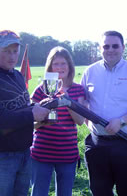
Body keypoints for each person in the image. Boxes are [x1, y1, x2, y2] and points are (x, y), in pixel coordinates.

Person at [0, 30, 50, 196]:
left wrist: (37, 107)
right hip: (1, 157)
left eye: (15, 51)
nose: (12, 56)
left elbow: (20, 107)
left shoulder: (17, 75)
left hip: (24, 152)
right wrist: (32, 115)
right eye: (6, 51)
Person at [80, 30, 127, 196]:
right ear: (100, 48)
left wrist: (121, 121)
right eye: (106, 46)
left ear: (123, 47)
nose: (110, 49)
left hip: (126, 144)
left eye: (115, 46)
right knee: (100, 192)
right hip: (97, 144)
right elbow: (82, 104)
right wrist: (90, 124)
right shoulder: (89, 72)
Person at [30, 46, 86, 196]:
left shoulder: (78, 90)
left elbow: (80, 120)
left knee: (65, 193)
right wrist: (43, 121)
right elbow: (29, 123)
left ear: (70, 66)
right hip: (41, 152)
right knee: (39, 193)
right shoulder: (40, 90)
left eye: (63, 64)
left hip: (67, 152)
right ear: (50, 67)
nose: (60, 68)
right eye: (56, 64)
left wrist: (66, 99)